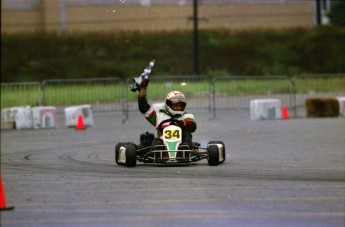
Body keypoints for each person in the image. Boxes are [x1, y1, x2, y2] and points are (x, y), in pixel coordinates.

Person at [137, 82, 197, 148]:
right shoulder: (159, 116)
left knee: (187, 133)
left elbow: (192, 126)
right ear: (169, 105)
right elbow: (144, 109)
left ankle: (185, 149)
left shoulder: (185, 116)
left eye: (180, 105)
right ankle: (157, 153)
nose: (178, 108)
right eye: (176, 105)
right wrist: (142, 94)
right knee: (156, 141)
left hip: (181, 143)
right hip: (163, 143)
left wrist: (184, 124)